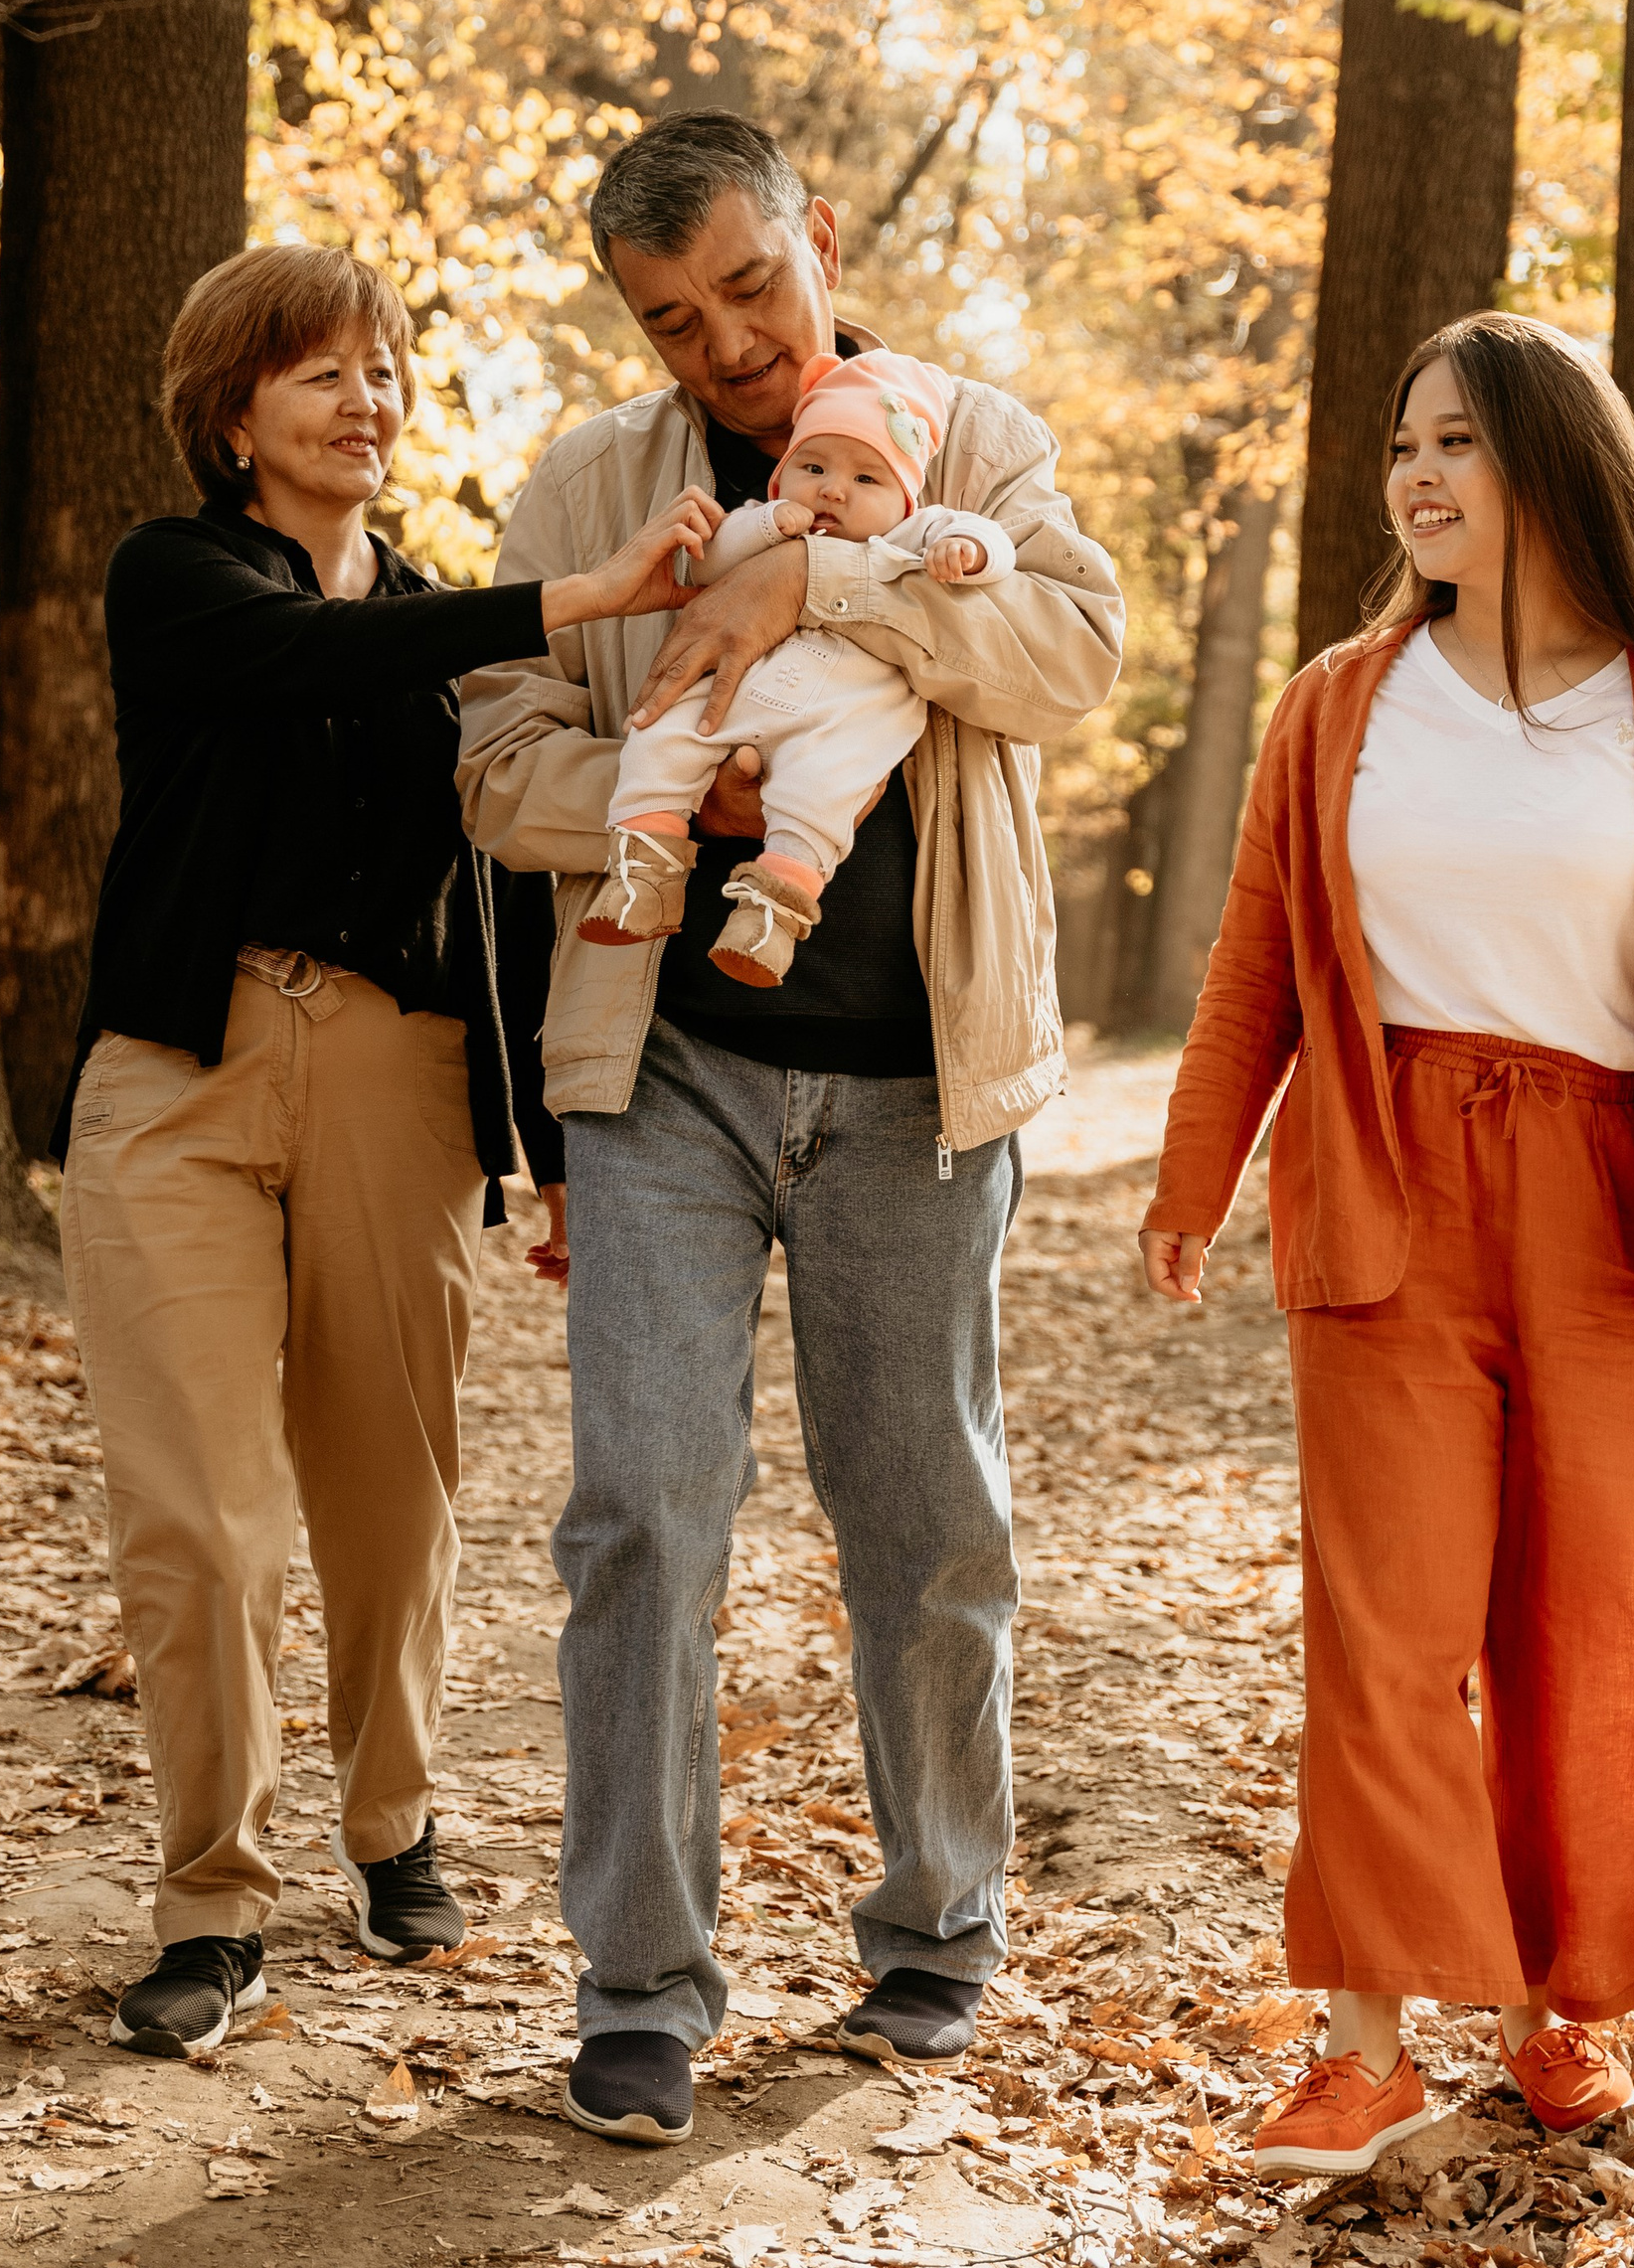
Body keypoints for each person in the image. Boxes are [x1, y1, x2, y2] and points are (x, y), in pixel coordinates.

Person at [1139, 310, 1634, 2178]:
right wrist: (1192, 1169)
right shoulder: (1340, 702)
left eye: (1459, 443)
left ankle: (1562, 2006)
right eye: (1403, 444)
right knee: (1386, 1630)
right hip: (1389, 1179)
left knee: (1608, 1625)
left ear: (1556, 465)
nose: (1415, 475)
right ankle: (1367, 2041)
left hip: (1630, 1201)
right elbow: (1256, 960)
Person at [457, 109, 1123, 2146]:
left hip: (922, 1072)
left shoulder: (972, 438)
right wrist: (685, 807)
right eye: (675, 318)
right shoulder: (585, 481)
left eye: (750, 286)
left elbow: (1068, 654)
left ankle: (934, 1923)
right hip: (662, 1067)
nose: (727, 343)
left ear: (815, 236)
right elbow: (497, 760)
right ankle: (638, 1979)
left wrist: (822, 579)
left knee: (924, 1519)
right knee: (641, 1510)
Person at [55, 243, 713, 2061]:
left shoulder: (451, 627)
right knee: (202, 1518)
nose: (365, 398)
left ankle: (391, 1820)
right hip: (174, 1081)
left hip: (398, 1085)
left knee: (388, 1491)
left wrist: (548, 1137)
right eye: (320, 371)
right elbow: (300, 659)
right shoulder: (181, 576)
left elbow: (509, 893)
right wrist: (565, 595)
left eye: (385, 369)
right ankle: (211, 1902)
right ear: (233, 408)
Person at [580, 346, 1012, 986]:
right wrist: (763, 529)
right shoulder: (765, 523)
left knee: (819, 797)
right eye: (813, 466)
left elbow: (997, 545)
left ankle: (768, 924)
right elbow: (705, 562)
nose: (834, 488)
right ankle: (645, 875)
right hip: (738, 696)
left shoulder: (914, 535)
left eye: (868, 479)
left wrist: (967, 550)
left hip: (843, 719)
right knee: (657, 735)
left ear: (905, 500)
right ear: (784, 477)